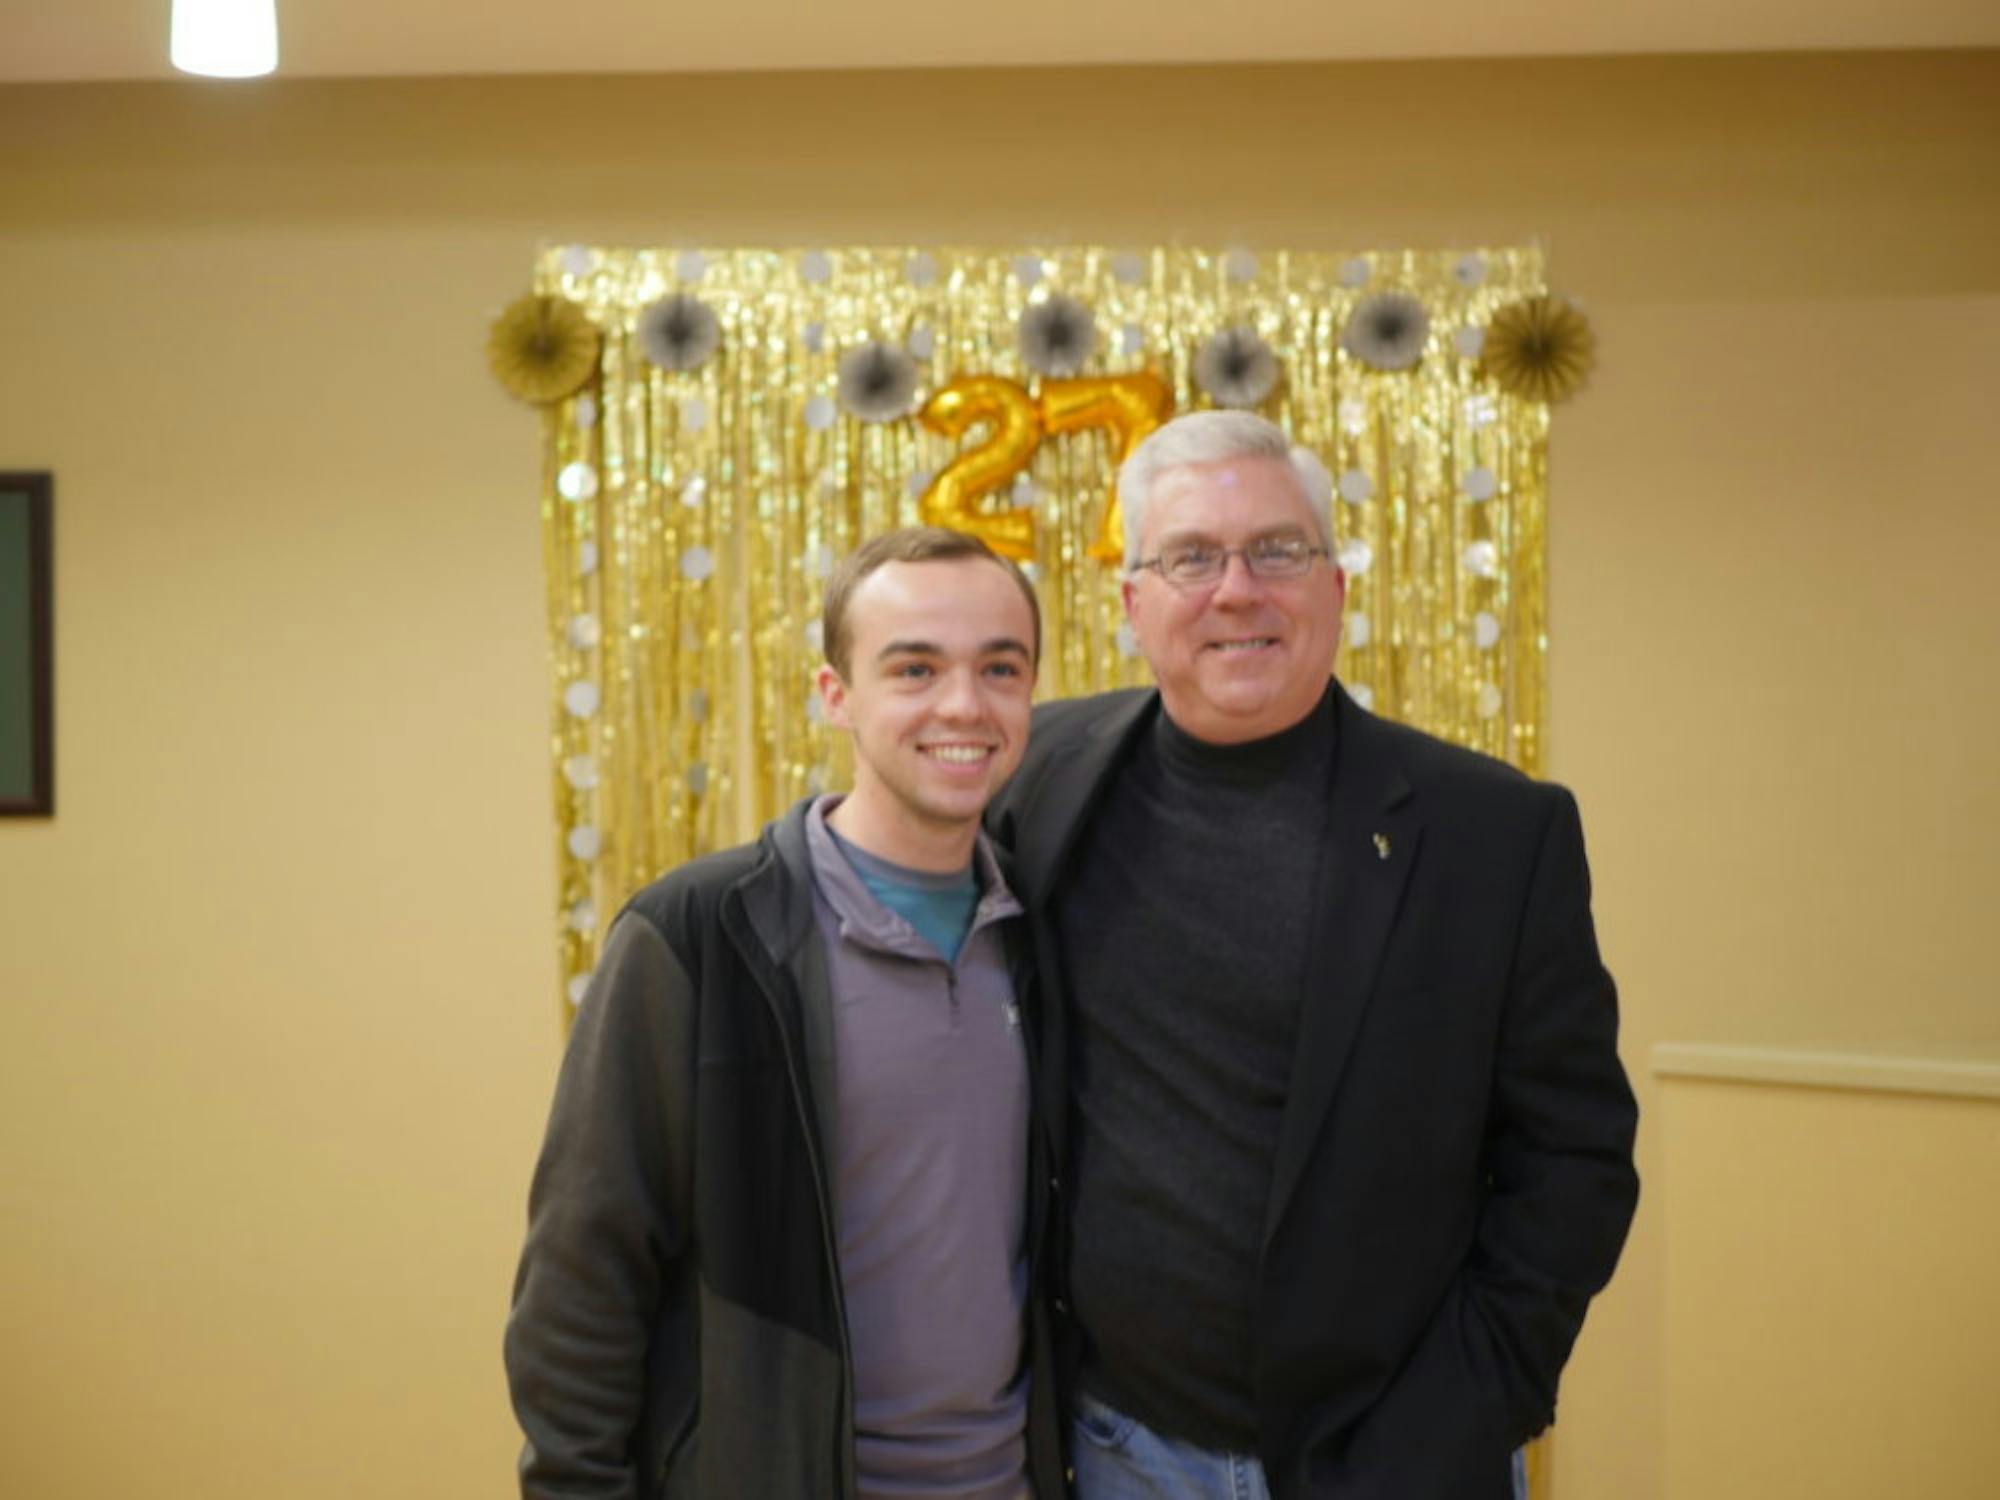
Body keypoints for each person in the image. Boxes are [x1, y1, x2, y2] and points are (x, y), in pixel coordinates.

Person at [987, 411, 1640, 1500]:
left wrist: (1464, 1413)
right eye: (1190, 556)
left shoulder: (1493, 833)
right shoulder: (1037, 783)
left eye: (1276, 549)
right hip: (1114, 1455)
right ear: (1130, 603)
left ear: (1334, 585)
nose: (1235, 589)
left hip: (1400, 1463)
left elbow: (1572, 1159)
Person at [506, 527, 1064, 1500]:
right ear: (835, 696)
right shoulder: (700, 936)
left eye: (999, 668)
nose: (962, 705)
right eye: (914, 668)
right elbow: (583, 1276)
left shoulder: (1044, 932)